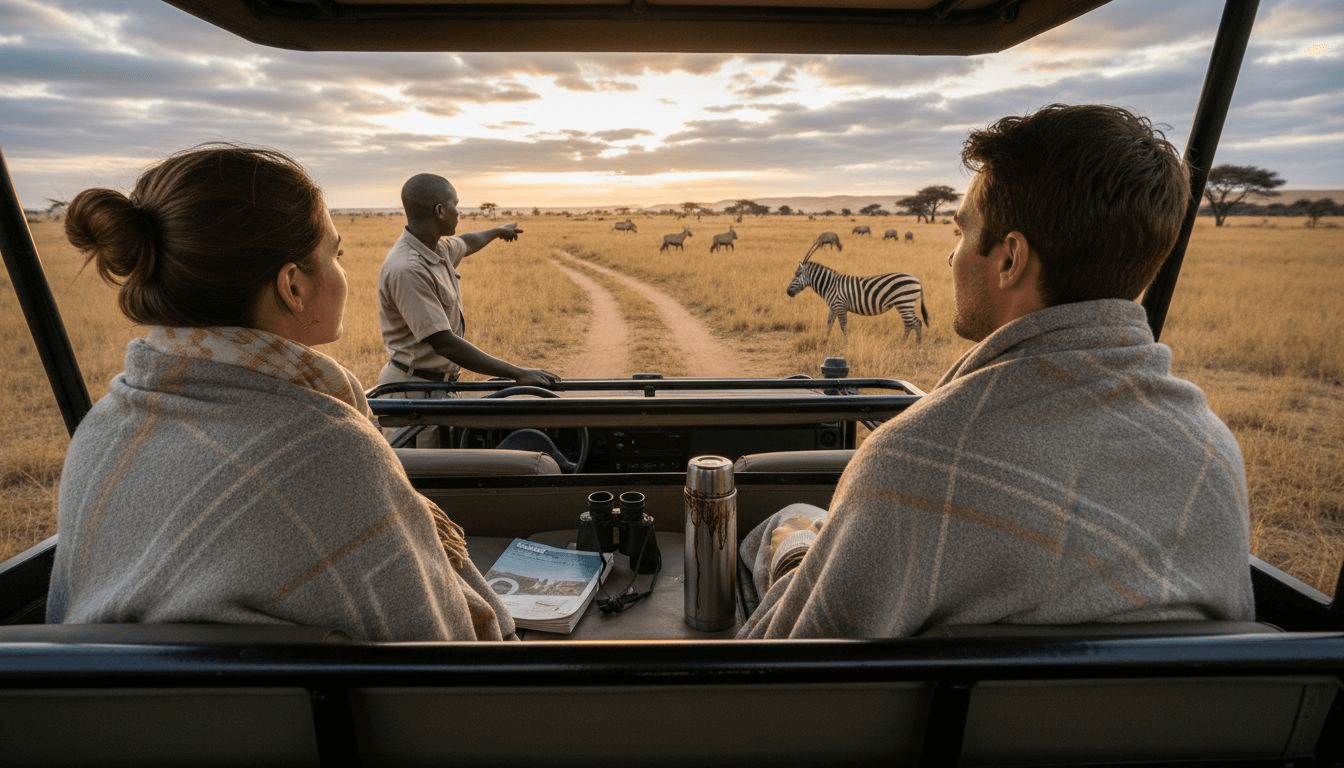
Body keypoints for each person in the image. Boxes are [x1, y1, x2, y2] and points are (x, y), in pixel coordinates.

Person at [738, 104, 1254, 639]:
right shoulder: (1213, 454)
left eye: (961, 234)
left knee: (790, 522)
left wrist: (795, 552)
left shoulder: (912, 464)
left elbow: (781, 669)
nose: (951, 257)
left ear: (1009, 260)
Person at [46, 144, 516, 642]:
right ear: (293, 286)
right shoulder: (329, 452)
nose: (343, 270)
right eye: (336, 254)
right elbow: (445, 652)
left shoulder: (100, 430)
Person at [376, 173, 558, 446]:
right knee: (429, 480)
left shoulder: (435, 249)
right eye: (455, 205)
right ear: (440, 210)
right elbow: (445, 343)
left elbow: (467, 242)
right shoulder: (409, 268)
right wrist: (518, 373)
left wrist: (498, 231)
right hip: (413, 394)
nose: (458, 213)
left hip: (435, 388)